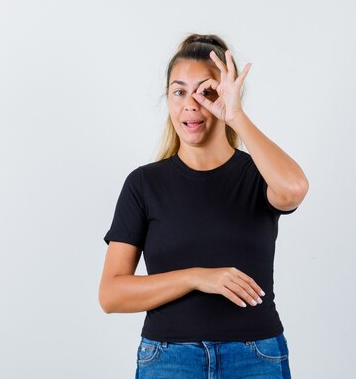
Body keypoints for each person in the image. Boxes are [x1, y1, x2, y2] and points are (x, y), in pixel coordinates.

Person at [98, 33, 309, 379]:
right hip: (169, 360)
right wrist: (197, 278)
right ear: (168, 99)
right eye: (179, 91)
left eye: (206, 91)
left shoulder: (258, 174)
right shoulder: (144, 185)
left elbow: (294, 189)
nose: (191, 104)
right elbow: (111, 294)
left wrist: (235, 116)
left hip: (255, 356)